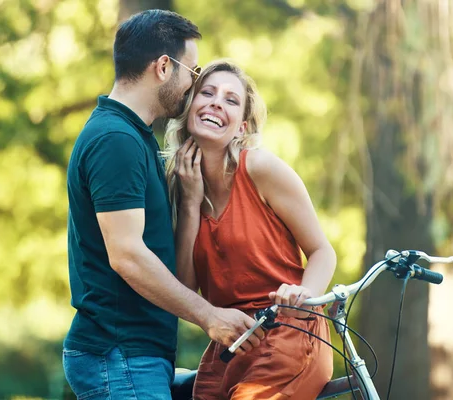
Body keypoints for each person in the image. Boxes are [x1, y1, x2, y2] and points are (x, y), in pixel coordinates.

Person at [63, 11, 264, 400]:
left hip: (138, 356)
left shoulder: (133, 136)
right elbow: (127, 256)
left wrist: (189, 203)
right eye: (192, 70)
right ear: (163, 67)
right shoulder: (115, 140)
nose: (192, 83)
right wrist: (209, 316)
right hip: (119, 356)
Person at [164, 60, 337, 400]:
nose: (216, 102)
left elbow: (323, 251)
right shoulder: (180, 186)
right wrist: (189, 204)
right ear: (189, 108)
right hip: (230, 344)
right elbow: (184, 288)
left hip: (289, 330)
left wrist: (303, 296)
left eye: (231, 99)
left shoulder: (260, 168)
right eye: (207, 93)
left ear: (241, 128)